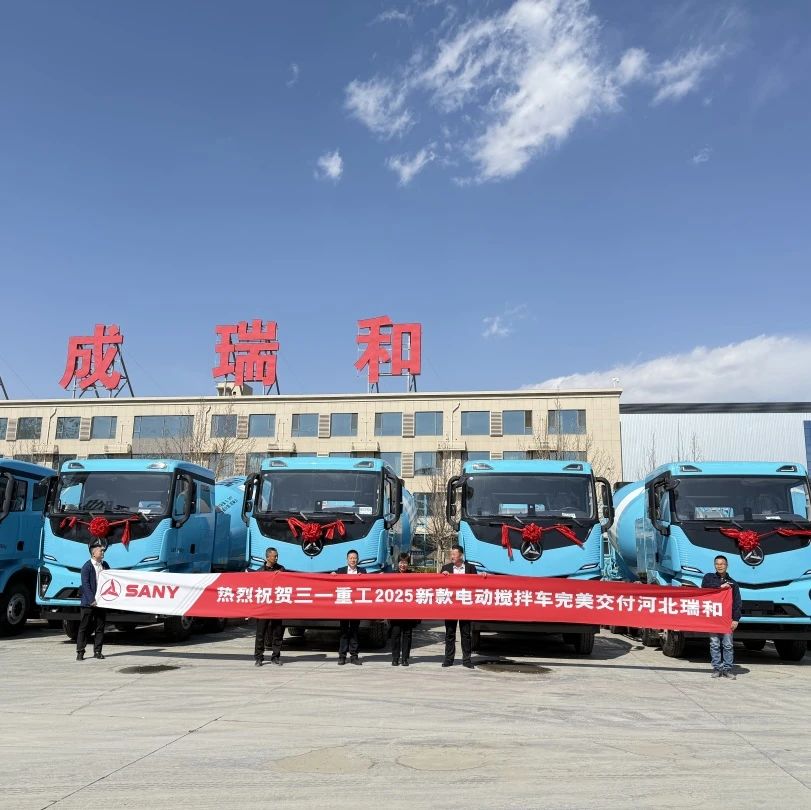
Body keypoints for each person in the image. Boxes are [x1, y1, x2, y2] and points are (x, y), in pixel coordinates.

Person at [440, 544, 486, 669]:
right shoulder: (446, 568)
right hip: (451, 605)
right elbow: (439, 586)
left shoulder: (470, 568)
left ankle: (467, 660)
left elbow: (476, 584)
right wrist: (442, 576)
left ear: (461, 555)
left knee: (466, 634)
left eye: (454, 554)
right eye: (451, 554)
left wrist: (482, 577)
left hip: (465, 605)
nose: (452, 556)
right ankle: (448, 659)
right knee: (450, 634)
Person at [702, 555, 742, 679]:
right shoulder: (709, 578)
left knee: (728, 645)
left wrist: (736, 619)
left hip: (727, 619)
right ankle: (716, 668)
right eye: (717, 564)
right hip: (713, 617)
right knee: (714, 644)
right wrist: (720, 587)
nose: (719, 566)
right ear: (714, 565)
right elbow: (704, 588)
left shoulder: (733, 583)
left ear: (727, 565)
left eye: (722, 564)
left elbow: (737, 602)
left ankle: (727, 669)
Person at [76, 539, 110, 661]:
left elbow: (110, 580)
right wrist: (92, 600)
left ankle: (98, 651)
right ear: (93, 553)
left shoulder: (105, 565)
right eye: (101, 551)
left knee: (100, 628)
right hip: (88, 603)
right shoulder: (87, 567)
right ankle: (80, 652)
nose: (103, 553)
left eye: (103, 551)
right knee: (84, 628)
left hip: (101, 603)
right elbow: (85, 585)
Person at [332, 549, 365, 665]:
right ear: (347, 560)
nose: (353, 560)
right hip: (344, 605)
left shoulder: (362, 571)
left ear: (358, 559)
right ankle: (342, 656)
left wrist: (364, 578)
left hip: (356, 606)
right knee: (344, 631)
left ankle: (354, 656)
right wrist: (333, 576)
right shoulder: (340, 571)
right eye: (351, 558)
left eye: (355, 558)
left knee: (354, 631)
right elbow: (332, 583)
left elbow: (368, 585)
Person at [254, 547, 286, 667]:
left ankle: (275, 657)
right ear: (268, 557)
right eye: (274, 556)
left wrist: (281, 575)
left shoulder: (281, 569)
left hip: (277, 607)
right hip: (263, 607)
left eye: (277, 556)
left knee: (277, 633)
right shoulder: (259, 572)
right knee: (260, 633)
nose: (276, 558)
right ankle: (259, 657)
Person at [390, 552, 419, 667]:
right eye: (401, 562)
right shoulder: (392, 575)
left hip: (409, 611)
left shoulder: (413, 575)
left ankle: (405, 658)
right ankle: (395, 658)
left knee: (407, 635)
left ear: (408, 564)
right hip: (395, 611)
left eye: (405, 563)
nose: (403, 565)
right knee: (395, 634)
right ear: (398, 563)